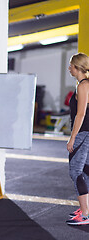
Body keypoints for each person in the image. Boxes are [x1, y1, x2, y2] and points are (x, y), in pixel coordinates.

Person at [66, 52, 89, 226]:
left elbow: (80, 114)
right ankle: (86, 209)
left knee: (76, 171)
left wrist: (72, 138)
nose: (69, 68)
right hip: (87, 133)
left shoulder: (83, 86)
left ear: (77, 67)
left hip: (83, 133)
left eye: (71, 66)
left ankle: (86, 214)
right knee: (86, 170)